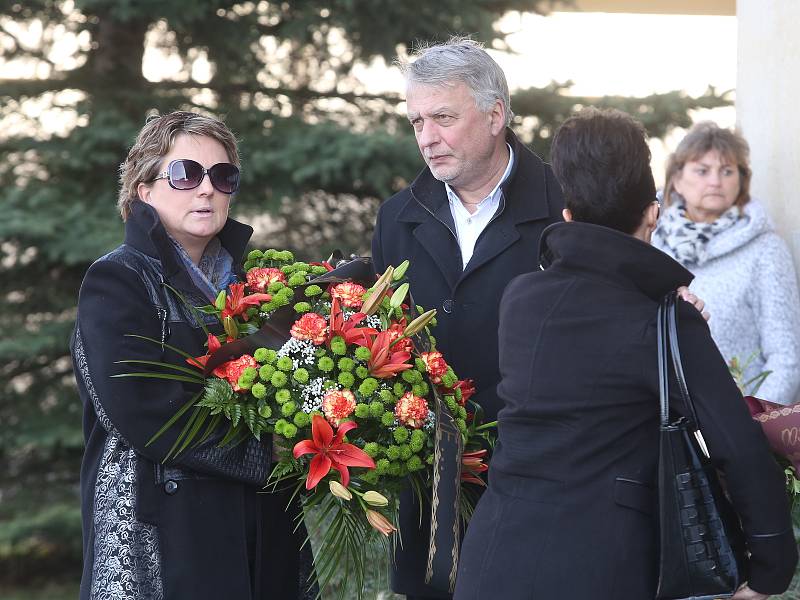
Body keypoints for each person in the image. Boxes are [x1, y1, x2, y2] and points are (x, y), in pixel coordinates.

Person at [454, 108, 797, 600]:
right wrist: (769, 572)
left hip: (492, 561)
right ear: (653, 212)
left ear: (567, 215)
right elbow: (738, 448)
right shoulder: (664, 321)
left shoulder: (522, 299)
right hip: (602, 569)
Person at [70, 111, 312, 600]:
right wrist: (273, 452)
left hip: (261, 539)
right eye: (185, 174)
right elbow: (147, 413)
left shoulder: (260, 289)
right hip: (164, 542)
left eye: (223, 176)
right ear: (143, 188)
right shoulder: (118, 282)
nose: (206, 189)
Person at [371, 37, 565, 599]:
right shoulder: (397, 218)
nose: (427, 138)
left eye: (443, 118)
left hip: (539, 475)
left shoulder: (565, 206)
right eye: (416, 122)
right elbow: (387, 339)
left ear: (496, 113)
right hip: (429, 484)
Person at [653, 122, 800, 405]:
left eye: (727, 171)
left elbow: (787, 359)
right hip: (664, 425)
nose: (715, 181)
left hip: (739, 423)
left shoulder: (765, 248)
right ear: (677, 179)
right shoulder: (654, 243)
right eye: (702, 170)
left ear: (741, 181)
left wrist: (751, 425)